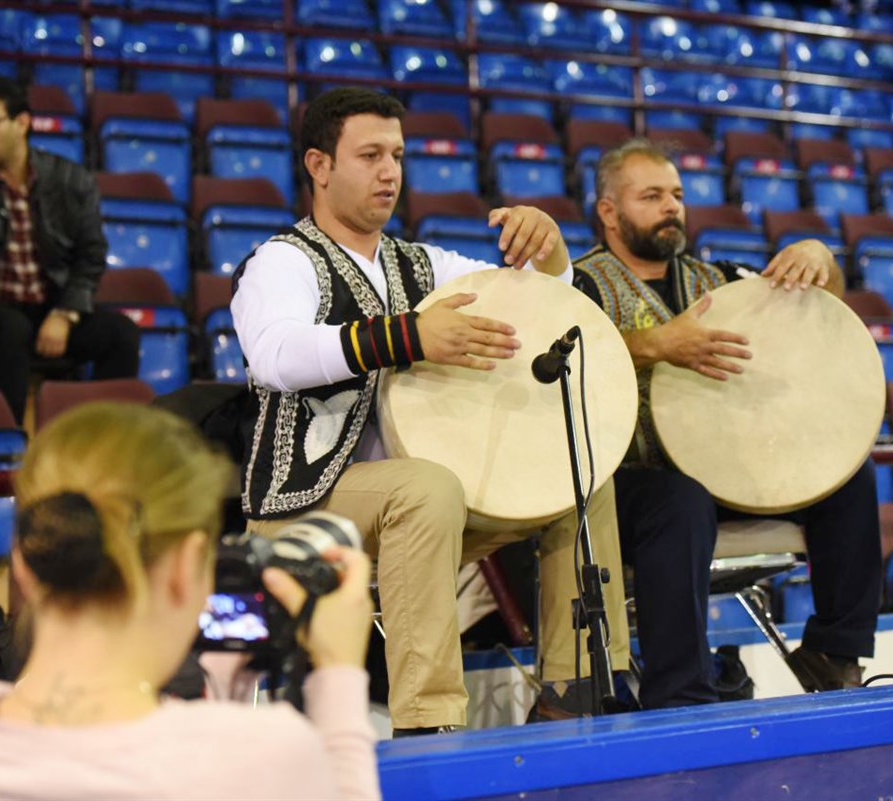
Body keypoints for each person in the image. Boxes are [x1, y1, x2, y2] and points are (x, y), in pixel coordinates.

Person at [231, 87, 631, 734]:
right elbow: (278, 355)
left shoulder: (424, 264)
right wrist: (410, 336)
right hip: (304, 506)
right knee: (427, 486)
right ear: (319, 165)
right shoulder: (281, 261)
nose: (389, 171)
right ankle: (428, 724)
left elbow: (538, 304)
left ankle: (574, 690)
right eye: (370, 155)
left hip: (428, 509)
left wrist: (552, 259)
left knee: (580, 473)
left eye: (397, 155)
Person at [0, 402, 380, 801]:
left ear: (24, 561)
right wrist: (338, 670)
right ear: (187, 565)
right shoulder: (258, 751)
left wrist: (226, 693)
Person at [573, 139, 883, 709]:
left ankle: (834, 651)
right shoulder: (579, 285)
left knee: (849, 477)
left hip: (728, 471)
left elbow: (822, 306)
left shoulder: (721, 278)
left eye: (676, 195)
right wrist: (655, 344)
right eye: (651, 196)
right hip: (627, 485)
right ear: (609, 212)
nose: (671, 206)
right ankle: (681, 693)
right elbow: (560, 354)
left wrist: (821, 257)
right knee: (679, 497)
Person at [0, 75, 139, 422]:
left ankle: (109, 435)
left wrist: (65, 312)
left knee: (120, 332)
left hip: (49, 307)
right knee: (10, 327)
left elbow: (91, 254)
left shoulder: (70, 178)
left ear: (21, 123)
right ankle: (9, 439)